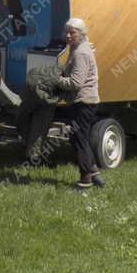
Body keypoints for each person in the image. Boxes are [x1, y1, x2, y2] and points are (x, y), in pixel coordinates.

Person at [56, 17, 103, 189]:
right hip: (83, 102)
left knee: (79, 140)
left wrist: (56, 80)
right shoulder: (76, 48)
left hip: (84, 102)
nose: (67, 35)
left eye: (72, 32)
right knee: (79, 138)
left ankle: (85, 181)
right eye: (66, 32)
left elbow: (76, 82)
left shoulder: (80, 53)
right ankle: (95, 174)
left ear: (81, 34)